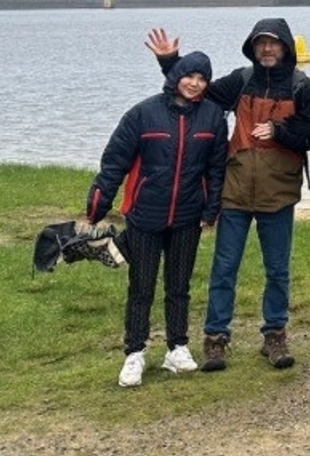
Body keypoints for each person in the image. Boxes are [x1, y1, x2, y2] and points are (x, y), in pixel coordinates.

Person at [145, 20, 310, 371]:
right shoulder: (240, 81)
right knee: (224, 268)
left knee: (278, 270)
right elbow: (195, 94)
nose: (268, 49)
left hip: (279, 191)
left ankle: (274, 334)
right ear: (253, 47)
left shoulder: (304, 88)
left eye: (274, 43)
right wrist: (171, 63)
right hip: (235, 189)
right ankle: (215, 338)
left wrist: (279, 130)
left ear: (286, 47)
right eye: (261, 43)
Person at [86, 51, 228, 388]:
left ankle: (177, 348)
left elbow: (217, 168)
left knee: (179, 287)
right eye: (189, 76)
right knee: (141, 288)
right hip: (145, 216)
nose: (195, 84)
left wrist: (211, 210)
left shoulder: (213, 117)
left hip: (187, 216)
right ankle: (134, 353)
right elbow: (114, 161)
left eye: (202, 78)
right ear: (176, 76)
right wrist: (97, 205)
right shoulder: (143, 113)